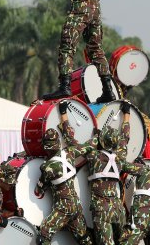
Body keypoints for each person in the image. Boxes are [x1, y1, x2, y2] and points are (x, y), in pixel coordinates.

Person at [34, 100, 96, 245]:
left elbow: (39, 189)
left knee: (44, 233)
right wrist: (96, 138)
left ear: (46, 147)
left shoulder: (47, 167)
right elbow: (87, 147)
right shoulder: (69, 153)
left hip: (63, 208)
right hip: (76, 206)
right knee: (84, 239)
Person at [82, 100, 136, 245]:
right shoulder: (120, 157)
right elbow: (125, 137)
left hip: (101, 210)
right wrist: (127, 114)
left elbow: (81, 147)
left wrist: (95, 138)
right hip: (117, 209)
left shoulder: (93, 156)